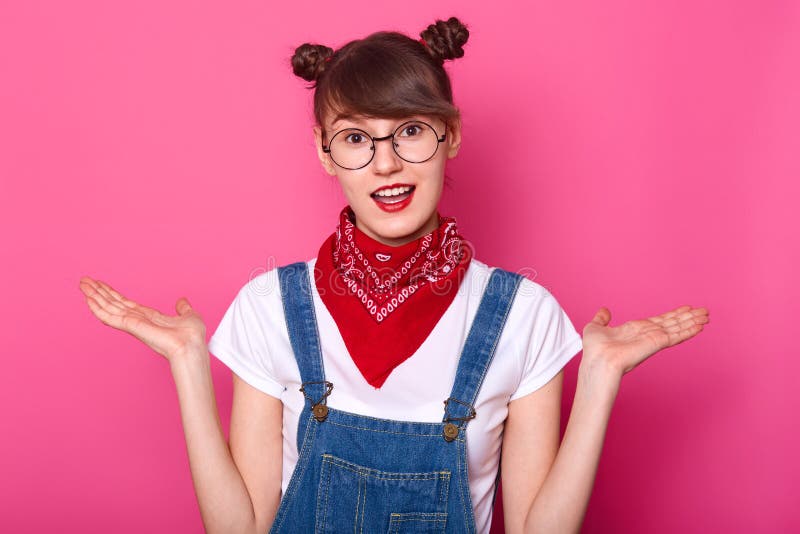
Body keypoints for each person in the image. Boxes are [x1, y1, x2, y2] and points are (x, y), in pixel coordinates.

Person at [78, 16, 709, 534]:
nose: (386, 164)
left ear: (451, 135)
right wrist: (189, 362)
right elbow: (239, 528)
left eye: (410, 131)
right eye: (356, 138)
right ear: (326, 151)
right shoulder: (269, 308)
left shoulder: (523, 316)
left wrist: (598, 378)